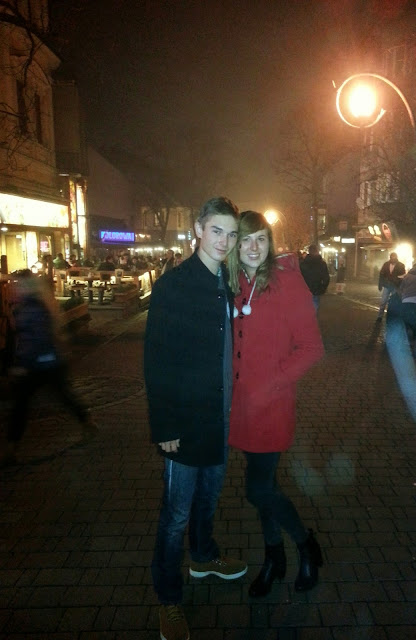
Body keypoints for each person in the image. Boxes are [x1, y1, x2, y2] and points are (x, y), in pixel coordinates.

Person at [144, 197, 246, 640]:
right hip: (184, 423)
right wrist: (164, 427)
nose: (225, 241)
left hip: (219, 417)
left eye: (231, 233)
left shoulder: (227, 281)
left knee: (208, 499)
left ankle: (204, 558)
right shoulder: (174, 285)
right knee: (176, 515)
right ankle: (168, 598)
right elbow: (156, 360)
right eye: (217, 231)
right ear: (199, 231)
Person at [227, 211, 324, 597]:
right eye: (245, 239)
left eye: (261, 239)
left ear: (269, 243)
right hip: (241, 409)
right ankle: (275, 558)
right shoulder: (233, 281)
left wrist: (273, 384)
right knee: (265, 486)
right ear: (235, 244)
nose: (253, 247)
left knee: (257, 489)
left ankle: (304, 544)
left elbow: (312, 347)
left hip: (271, 406)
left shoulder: (286, 282)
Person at [1, 271, 97, 466]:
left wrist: (23, 363)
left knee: (28, 403)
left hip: (41, 364)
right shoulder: (31, 306)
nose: (15, 288)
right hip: (47, 362)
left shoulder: (32, 308)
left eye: (18, 285)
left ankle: (12, 447)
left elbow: (37, 339)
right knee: (58, 396)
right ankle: (86, 421)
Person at [300, 244, 330, 311]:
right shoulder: (322, 264)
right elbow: (326, 278)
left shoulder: (303, 264)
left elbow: (299, 277)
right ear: (317, 251)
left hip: (305, 290)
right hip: (316, 289)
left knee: (305, 309)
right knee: (314, 307)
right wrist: (323, 288)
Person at [376, 252, 405, 320]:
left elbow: (403, 276)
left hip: (395, 286)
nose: (392, 259)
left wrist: (398, 281)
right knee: (383, 301)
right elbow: (381, 274)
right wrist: (380, 284)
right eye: (392, 257)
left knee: (393, 301)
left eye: (393, 257)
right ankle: (380, 316)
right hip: (388, 285)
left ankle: (392, 316)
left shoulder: (400, 265)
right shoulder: (386, 264)